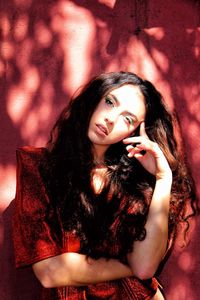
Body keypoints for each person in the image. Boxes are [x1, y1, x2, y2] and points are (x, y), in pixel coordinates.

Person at [12, 71, 196, 299]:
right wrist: (129, 266)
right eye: (110, 102)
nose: (111, 119)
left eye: (127, 119)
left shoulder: (137, 185)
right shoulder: (38, 168)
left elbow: (146, 267)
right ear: (95, 98)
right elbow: (50, 271)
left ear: (135, 132)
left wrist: (162, 178)